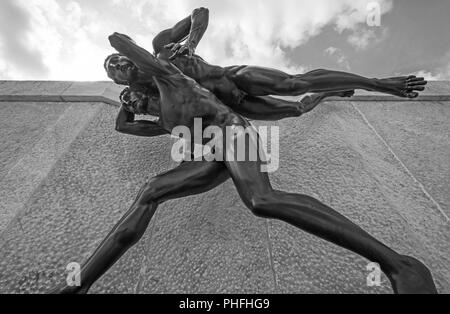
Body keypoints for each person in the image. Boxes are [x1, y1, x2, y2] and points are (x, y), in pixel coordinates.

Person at [52, 33, 437, 294]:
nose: (118, 67)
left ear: (136, 71)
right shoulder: (163, 121)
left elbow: (122, 40)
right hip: (214, 153)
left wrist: (119, 52)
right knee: (150, 191)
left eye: (120, 65)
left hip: (233, 132)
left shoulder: (168, 73)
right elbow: (123, 128)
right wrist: (124, 103)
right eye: (116, 76)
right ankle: (79, 285)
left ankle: (400, 265)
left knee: (262, 199)